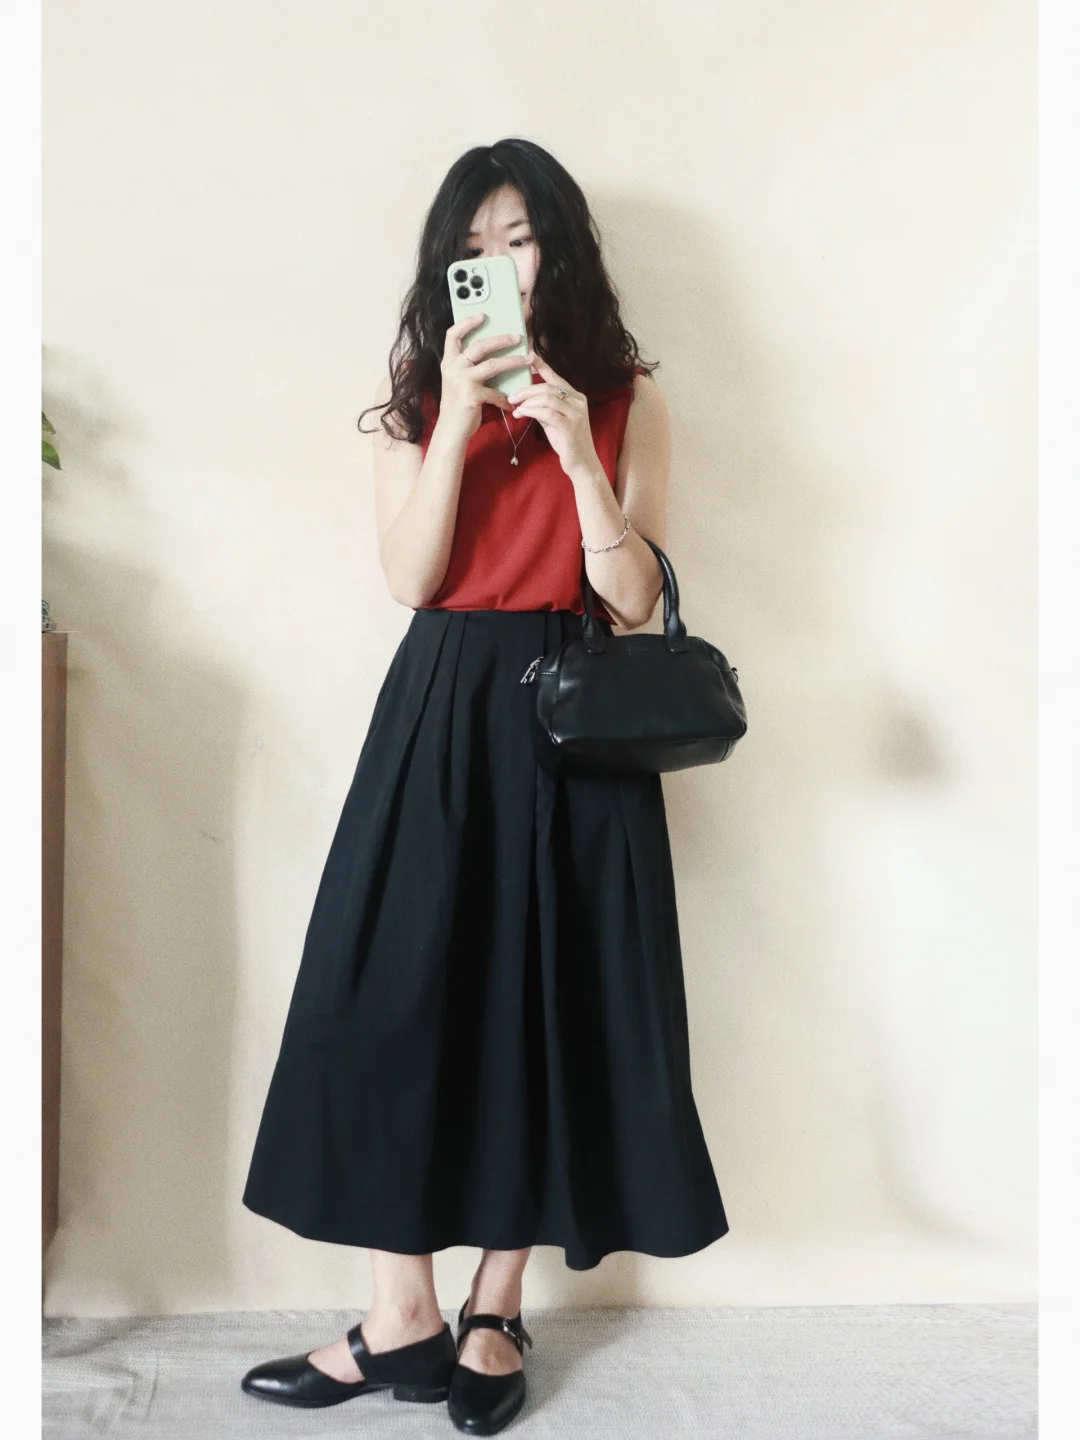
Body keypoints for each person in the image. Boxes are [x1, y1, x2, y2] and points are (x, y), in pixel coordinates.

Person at [239, 137, 729, 1435]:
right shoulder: (413, 392)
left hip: (576, 712)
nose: (498, 263)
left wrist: (575, 451)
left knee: (547, 1003)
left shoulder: (622, 393)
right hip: (442, 707)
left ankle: (495, 1307)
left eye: (518, 238)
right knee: (380, 993)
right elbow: (410, 577)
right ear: (447, 268)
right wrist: (457, 419)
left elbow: (633, 600)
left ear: (559, 247)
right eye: (473, 247)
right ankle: (400, 1314)